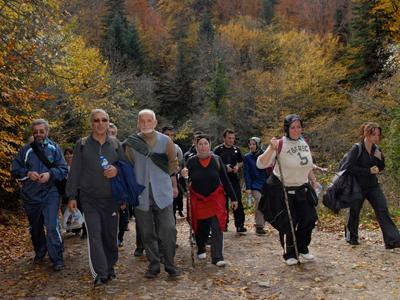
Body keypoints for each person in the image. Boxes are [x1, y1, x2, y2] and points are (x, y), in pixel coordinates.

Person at [66, 109, 125, 286]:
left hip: (111, 199)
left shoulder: (116, 144)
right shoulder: (82, 144)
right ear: (91, 123)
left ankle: (110, 266)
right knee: (94, 235)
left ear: (108, 122)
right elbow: (75, 170)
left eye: (104, 120)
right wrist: (71, 195)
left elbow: (125, 168)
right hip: (89, 199)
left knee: (110, 237)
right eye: (96, 120)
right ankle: (101, 272)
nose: (100, 123)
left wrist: (117, 171)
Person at [124, 109, 181, 278]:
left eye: (149, 121)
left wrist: (170, 183)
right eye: (142, 121)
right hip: (142, 195)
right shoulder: (131, 143)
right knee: (147, 233)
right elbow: (128, 166)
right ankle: (154, 264)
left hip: (163, 194)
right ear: (138, 123)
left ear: (155, 123)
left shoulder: (166, 141)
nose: (146, 124)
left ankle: (170, 264)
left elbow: (173, 163)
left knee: (168, 230)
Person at [256, 114, 319, 266]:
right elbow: (261, 164)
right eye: (292, 127)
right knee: (289, 223)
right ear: (286, 128)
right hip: (284, 190)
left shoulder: (304, 142)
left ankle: (302, 247)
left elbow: (306, 164)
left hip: (302, 188)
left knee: (310, 218)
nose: (296, 130)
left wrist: (313, 179)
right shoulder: (280, 144)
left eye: (298, 127)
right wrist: (271, 148)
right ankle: (289, 252)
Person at [11, 119, 68, 271]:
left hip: (51, 193)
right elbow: (15, 169)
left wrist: (50, 174)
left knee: (51, 225)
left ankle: (57, 257)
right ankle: (40, 251)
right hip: (31, 195)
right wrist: (28, 173)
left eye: (41, 131)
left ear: (47, 132)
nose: (38, 134)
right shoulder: (25, 150)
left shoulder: (54, 148)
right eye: (35, 132)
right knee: (35, 227)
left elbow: (63, 169)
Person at [183, 134, 238, 266]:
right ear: (196, 146)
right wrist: (183, 176)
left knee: (217, 225)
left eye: (205, 143)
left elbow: (225, 180)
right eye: (200, 144)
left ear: (210, 145)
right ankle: (201, 247)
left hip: (215, 198)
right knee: (201, 227)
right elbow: (184, 181)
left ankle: (217, 257)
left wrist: (233, 198)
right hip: (198, 198)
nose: (203, 146)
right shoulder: (191, 161)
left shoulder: (217, 160)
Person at [344, 122, 400, 249]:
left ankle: (393, 240)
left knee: (382, 209)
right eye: (373, 134)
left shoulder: (377, 149)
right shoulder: (357, 148)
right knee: (354, 211)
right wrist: (367, 171)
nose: (376, 137)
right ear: (366, 134)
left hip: (373, 186)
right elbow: (348, 167)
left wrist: (380, 159)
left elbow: (381, 168)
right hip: (357, 186)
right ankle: (351, 237)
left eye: (378, 135)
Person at [213, 129, 246, 234]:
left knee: (237, 200)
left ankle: (240, 225)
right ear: (224, 138)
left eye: (233, 138)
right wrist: (224, 167)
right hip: (221, 180)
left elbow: (241, 162)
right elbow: (213, 164)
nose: (231, 140)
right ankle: (224, 224)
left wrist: (237, 166)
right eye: (229, 138)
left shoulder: (236, 149)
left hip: (234, 179)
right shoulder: (217, 150)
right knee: (223, 203)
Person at [107, 123, 130, 248]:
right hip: (106, 188)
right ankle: (111, 238)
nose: (110, 135)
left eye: (113, 133)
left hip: (121, 188)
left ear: (116, 134)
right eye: (108, 132)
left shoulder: (122, 149)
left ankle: (120, 237)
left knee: (122, 214)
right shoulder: (101, 149)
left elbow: (127, 170)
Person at [243, 137, 268, 235]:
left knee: (267, 202)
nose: (251, 146)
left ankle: (268, 221)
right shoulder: (247, 157)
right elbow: (247, 173)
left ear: (258, 144)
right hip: (254, 184)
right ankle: (259, 226)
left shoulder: (265, 154)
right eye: (250, 144)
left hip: (266, 183)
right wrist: (248, 187)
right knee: (259, 200)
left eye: (253, 144)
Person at [162, 125, 185, 218]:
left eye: (171, 135)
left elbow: (180, 162)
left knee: (172, 208)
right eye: (167, 134)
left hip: (172, 180)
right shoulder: (155, 147)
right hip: (158, 182)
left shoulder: (177, 148)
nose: (169, 137)